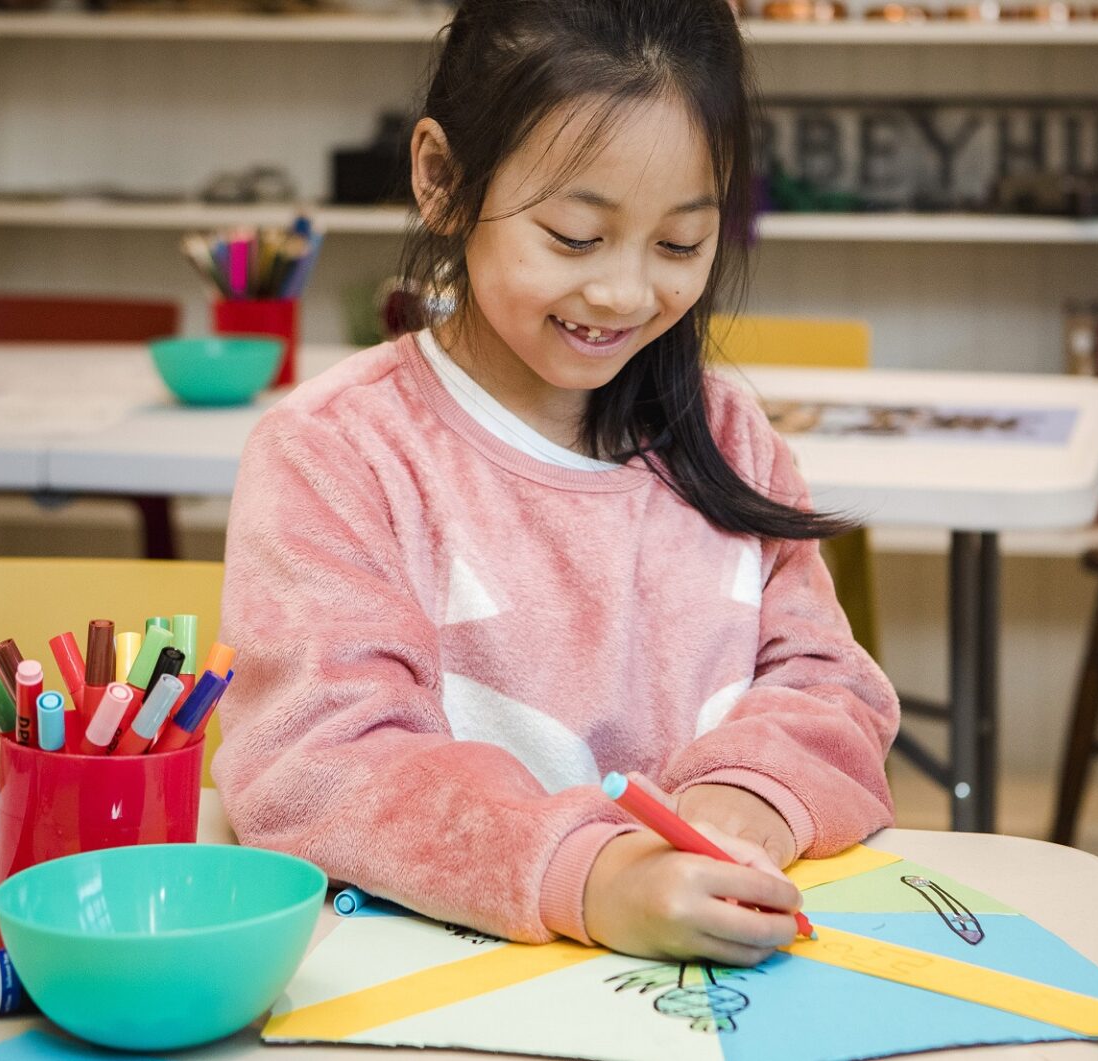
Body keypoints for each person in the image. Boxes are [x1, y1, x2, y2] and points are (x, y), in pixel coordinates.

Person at [213, 0, 898, 968]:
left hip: (706, 976)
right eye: (577, 236)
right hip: (438, 980)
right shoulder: (339, 452)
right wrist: (599, 874)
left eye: (678, 245)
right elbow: (321, 762)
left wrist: (729, 809)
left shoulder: (728, 435)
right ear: (441, 179)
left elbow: (828, 684)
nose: (624, 293)